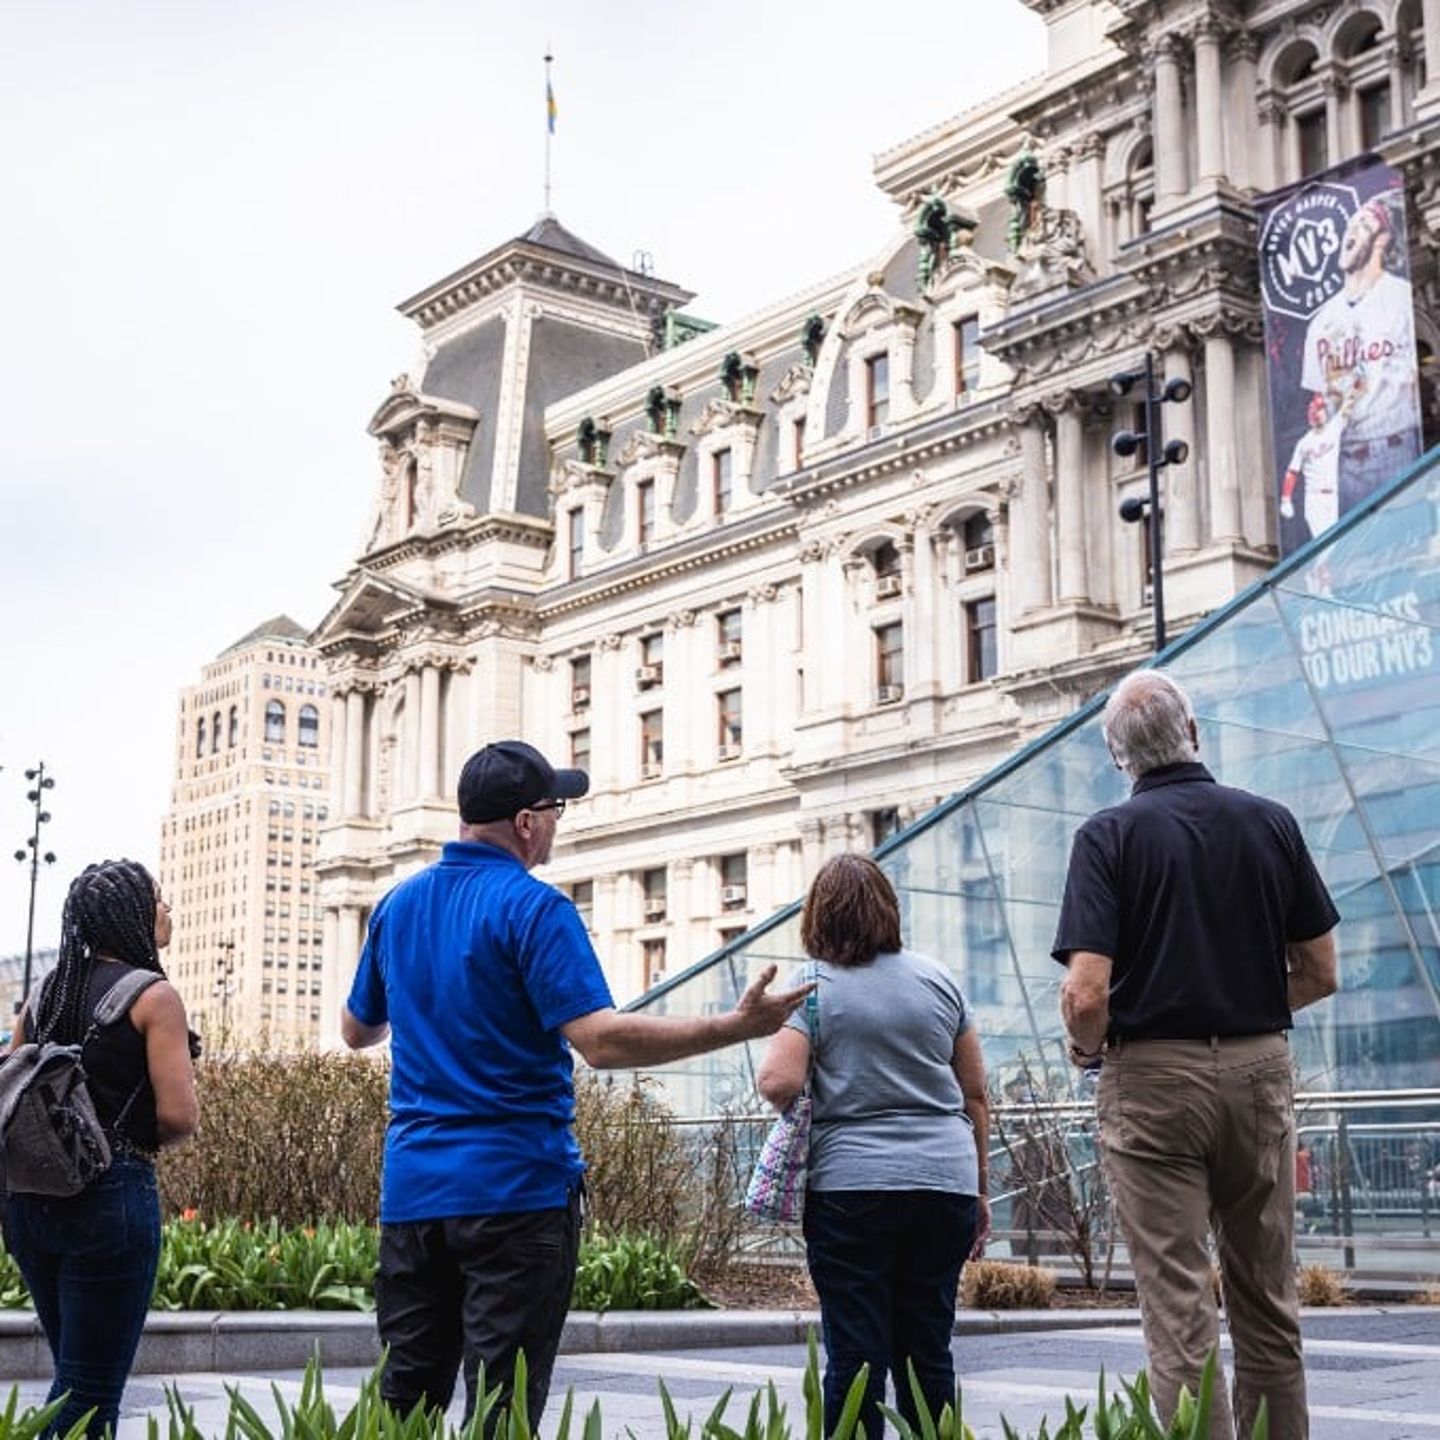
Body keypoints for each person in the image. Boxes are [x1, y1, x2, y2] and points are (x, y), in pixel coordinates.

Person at [341, 739, 811, 1429]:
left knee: (405, 1403)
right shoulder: (536, 910)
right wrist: (736, 1026)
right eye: (556, 809)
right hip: (516, 1193)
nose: (560, 822)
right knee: (503, 1405)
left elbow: (359, 1030)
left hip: (414, 1194)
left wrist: (427, 1002)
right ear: (527, 822)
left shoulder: (396, 907)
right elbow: (600, 1040)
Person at [1053, 671, 1339, 1440]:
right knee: (1267, 1297)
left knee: (1179, 1305)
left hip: (1149, 1080)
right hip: (1258, 1072)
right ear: (1196, 733)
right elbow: (1321, 969)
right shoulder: (1269, 823)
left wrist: (1090, 1051)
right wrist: (1246, 1003)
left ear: (1120, 759)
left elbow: (1085, 995)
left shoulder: (1106, 838)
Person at [756, 853, 989, 1439]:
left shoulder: (810, 988)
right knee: (928, 1349)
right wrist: (980, 1190)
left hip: (850, 1189)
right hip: (944, 1185)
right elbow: (976, 1093)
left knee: (856, 1355)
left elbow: (776, 1082)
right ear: (889, 909)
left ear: (818, 916)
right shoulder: (939, 979)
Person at [3, 859, 199, 1439]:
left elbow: (10, 1089)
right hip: (111, 1196)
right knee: (89, 1395)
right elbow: (178, 1116)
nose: (168, 910)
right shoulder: (153, 996)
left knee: (73, 1374)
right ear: (131, 915)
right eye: (158, 899)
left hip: (31, 1202)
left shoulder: (44, 991)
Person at [1300, 194, 1421, 515]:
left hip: (1397, 452)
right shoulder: (1320, 322)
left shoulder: (1399, 298)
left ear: (1381, 238)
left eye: (1364, 224)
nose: (1351, 232)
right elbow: (1317, 399)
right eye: (1350, 225)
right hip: (1344, 464)